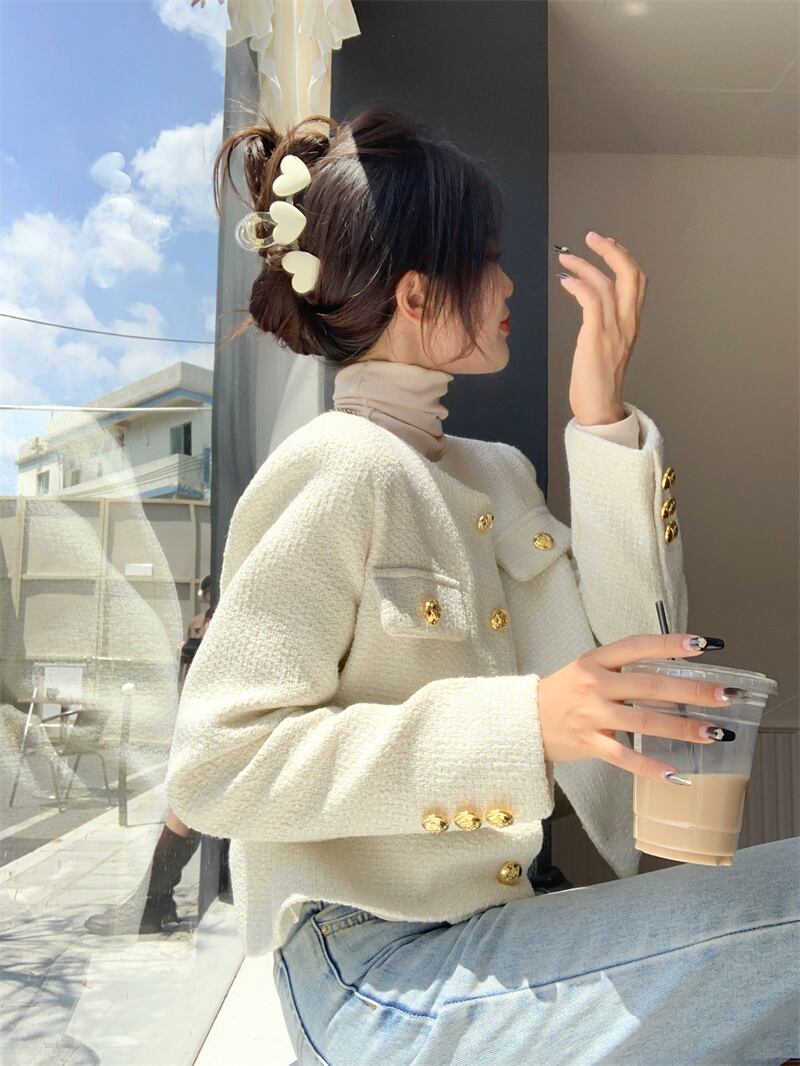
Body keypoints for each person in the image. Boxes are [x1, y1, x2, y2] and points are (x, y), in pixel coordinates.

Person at [165, 106, 800, 1063]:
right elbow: (216, 767)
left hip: (505, 933)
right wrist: (523, 724)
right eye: (488, 259)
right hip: (375, 967)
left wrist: (604, 421)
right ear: (418, 296)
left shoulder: (497, 474)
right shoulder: (337, 464)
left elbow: (637, 648)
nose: (508, 284)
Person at [84, 575, 214, 936]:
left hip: (221, 719)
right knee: (186, 803)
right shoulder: (204, 618)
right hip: (205, 713)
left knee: (187, 802)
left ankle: (152, 903)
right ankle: (154, 902)